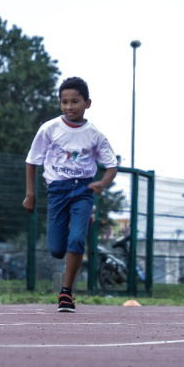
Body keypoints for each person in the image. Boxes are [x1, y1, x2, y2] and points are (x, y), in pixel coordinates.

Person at [23, 77, 118, 313]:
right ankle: (80, 219)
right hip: (57, 190)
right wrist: (30, 194)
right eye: (64, 102)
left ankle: (66, 293)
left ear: (87, 103)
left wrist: (102, 183)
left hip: (83, 190)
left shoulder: (94, 134)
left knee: (76, 240)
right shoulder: (49, 129)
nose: (69, 107)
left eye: (75, 101)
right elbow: (32, 161)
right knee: (56, 249)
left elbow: (111, 166)